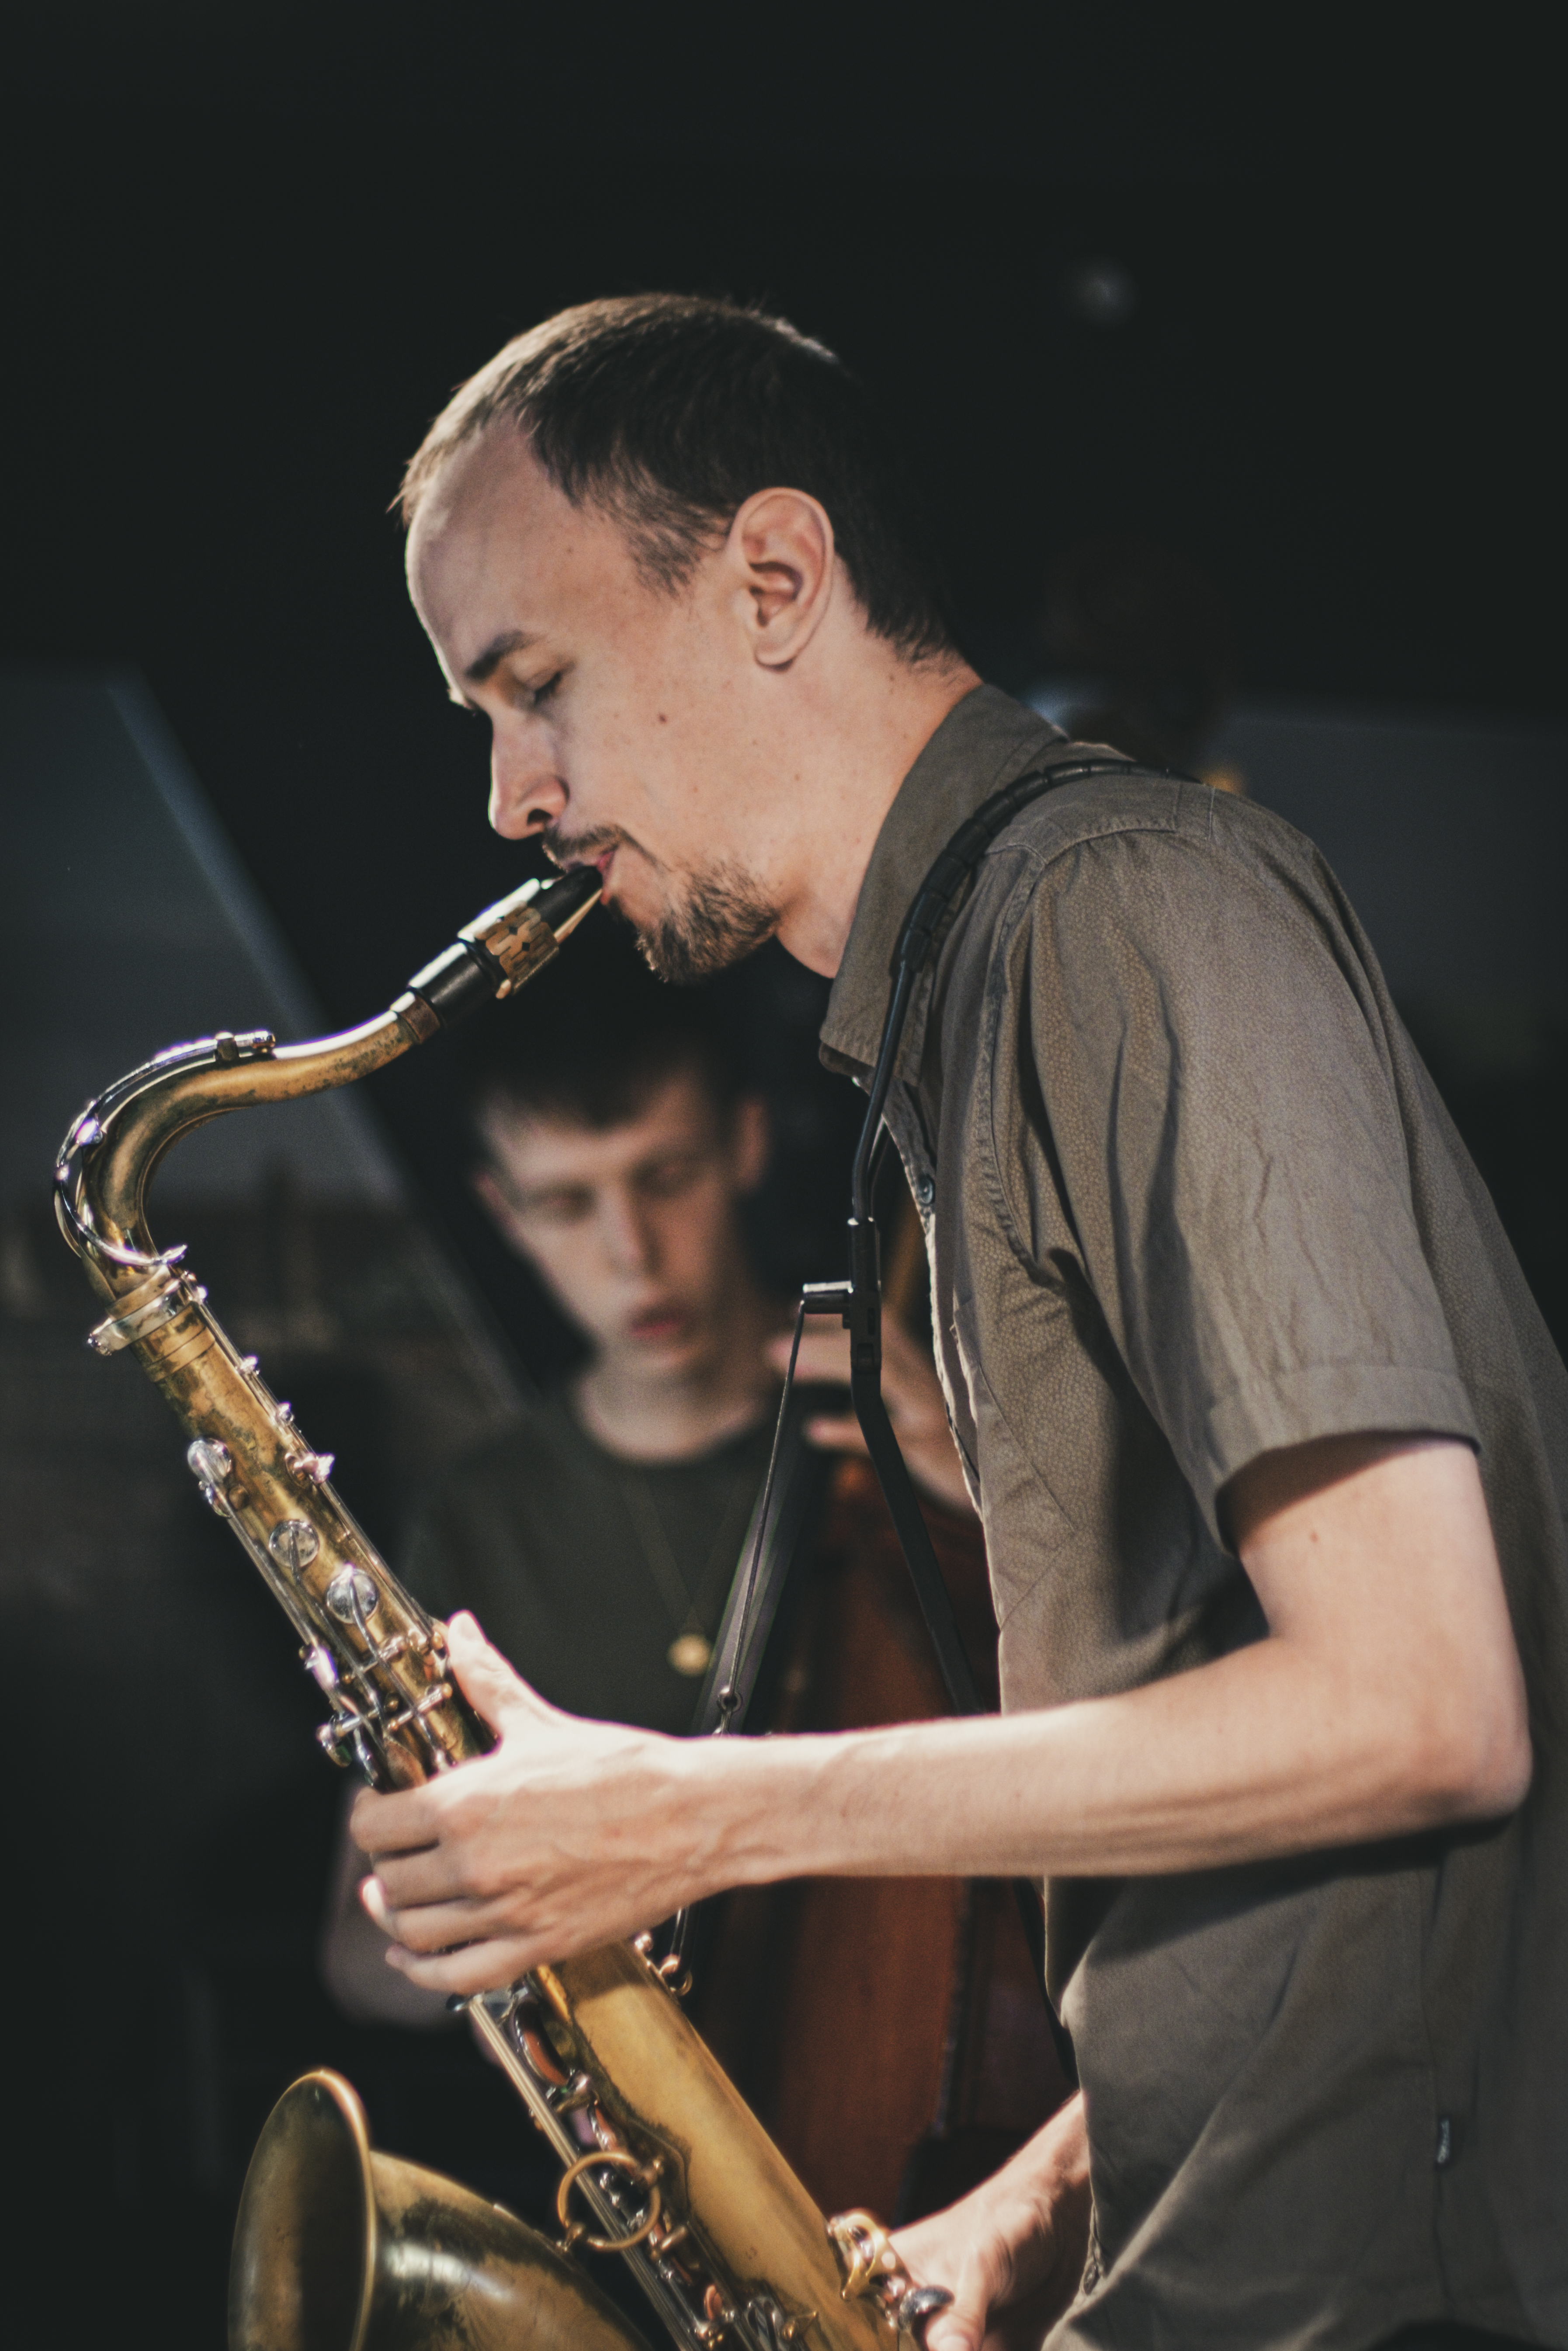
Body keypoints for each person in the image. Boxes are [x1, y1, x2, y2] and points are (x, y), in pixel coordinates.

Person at [344, 295, 1564, 2351]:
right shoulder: (971, 1001)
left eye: (532, 684)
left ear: (775, 578)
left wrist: (692, 1813)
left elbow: (1424, 1711)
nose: (508, 799)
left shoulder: (1112, 911)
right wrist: (1025, 2207)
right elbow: (1286, 1865)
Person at [321, 941, 1048, 2216]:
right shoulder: (478, 1512)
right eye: (566, 1202)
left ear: (746, 1143)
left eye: (665, 1177)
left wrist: (971, 1487)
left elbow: (1099, 1730)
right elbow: (353, 1951)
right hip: (619, 2191)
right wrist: (464, 1921)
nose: (632, 1255)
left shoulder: (911, 1422)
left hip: (911, 2156)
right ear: (501, 1209)